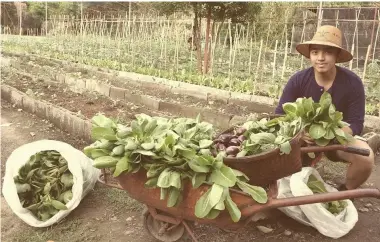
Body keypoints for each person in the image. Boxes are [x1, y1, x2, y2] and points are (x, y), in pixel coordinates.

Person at [275, 25, 375, 191]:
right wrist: (299, 133)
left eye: (327, 52)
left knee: (366, 157)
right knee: (283, 169)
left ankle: (344, 192)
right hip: (301, 140)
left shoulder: (353, 83)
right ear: (310, 55)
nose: (320, 58)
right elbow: (280, 114)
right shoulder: (298, 80)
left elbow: (356, 123)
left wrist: (331, 133)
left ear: (337, 55)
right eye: (315, 52)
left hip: (336, 140)